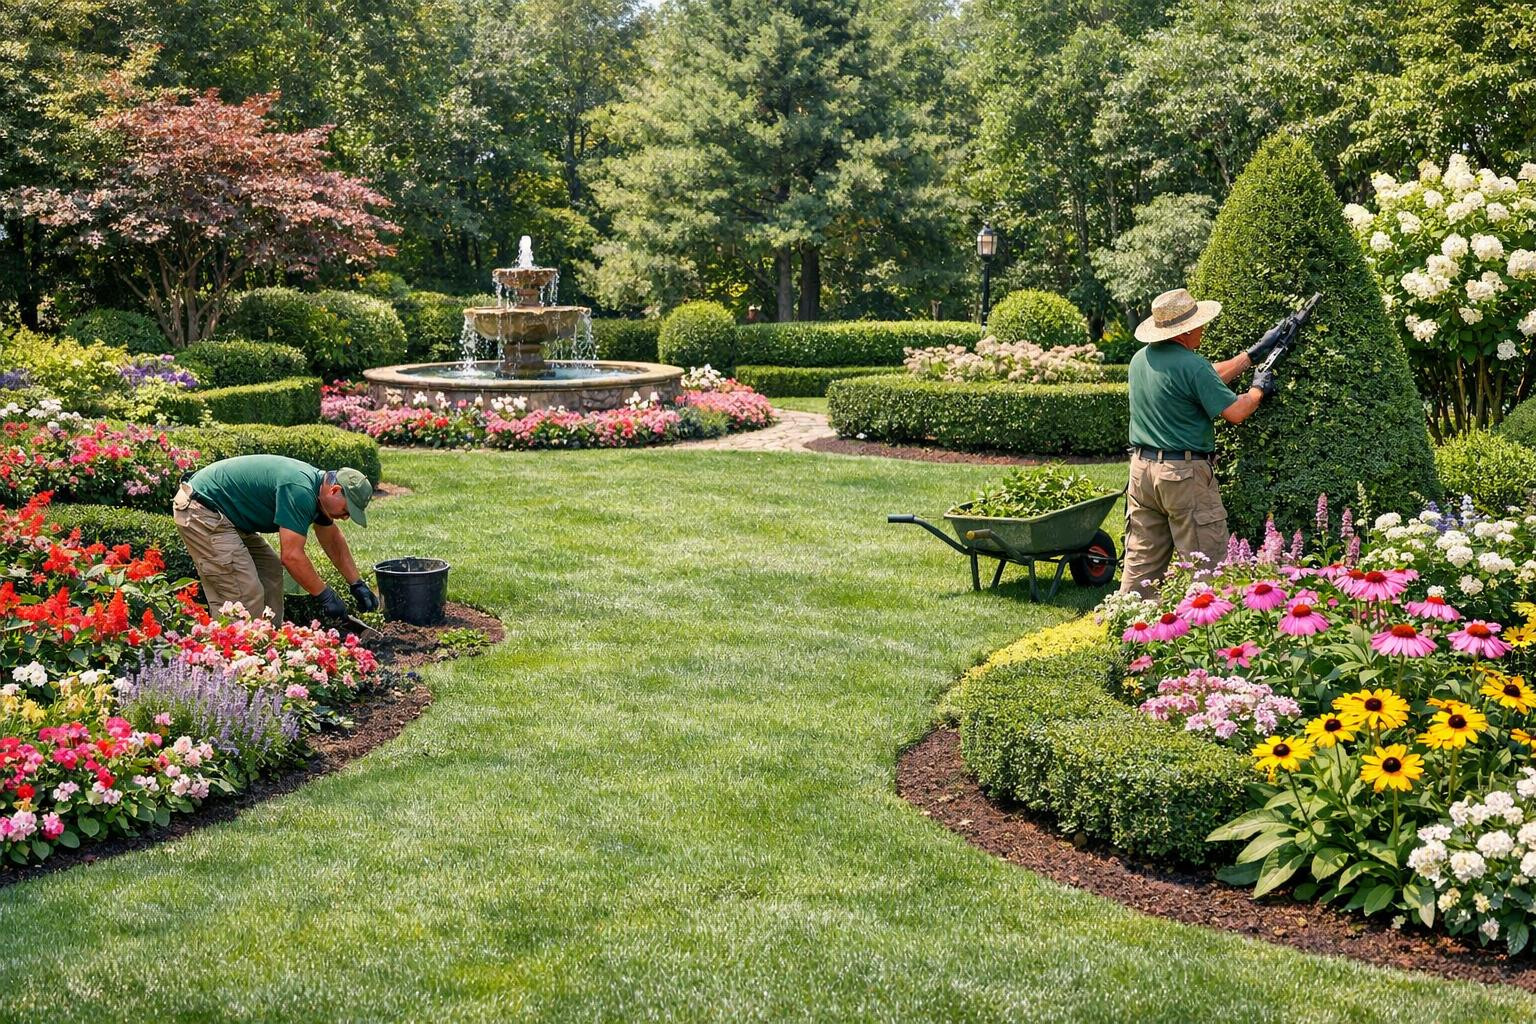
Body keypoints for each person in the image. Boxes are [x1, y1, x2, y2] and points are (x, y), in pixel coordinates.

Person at [1118, 287, 1284, 596]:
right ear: (1184, 331)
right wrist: (1258, 390)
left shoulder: (1141, 360)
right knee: (1207, 567)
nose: (1203, 328)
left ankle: (1129, 632)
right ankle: (1212, 637)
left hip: (1142, 473)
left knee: (1142, 566)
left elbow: (1204, 377)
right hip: (1182, 476)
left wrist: (1252, 355)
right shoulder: (1191, 365)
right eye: (1198, 323)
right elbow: (1235, 411)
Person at [172, 454, 380, 622]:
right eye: (346, 510)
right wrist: (324, 595)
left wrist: (356, 584)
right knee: (243, 590)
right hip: (202, 510)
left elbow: (333, 541)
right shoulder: (300, 490)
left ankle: (268, 645)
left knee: (269, 571)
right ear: (334, 490)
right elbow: (292, 556)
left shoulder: (318, 494)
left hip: (227, 516)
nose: (344, 518)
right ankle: (238, 661)